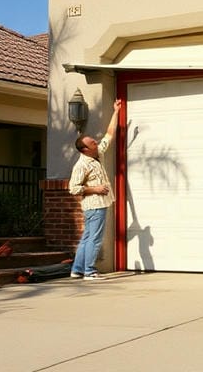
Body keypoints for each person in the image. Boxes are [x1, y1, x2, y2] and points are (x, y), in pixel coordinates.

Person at [69, 98, 122, 280]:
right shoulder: (81, 165)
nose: (96, 143)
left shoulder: (97, 153)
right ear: (84, 149)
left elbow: (109, 134)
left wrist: (116, 111)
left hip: (98, 204)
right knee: (94, 239)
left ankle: (77, 270)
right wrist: (96, 189)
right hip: (94, 205)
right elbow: (73, 188)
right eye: (92, 143)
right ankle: (90, 272)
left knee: (87, 238)